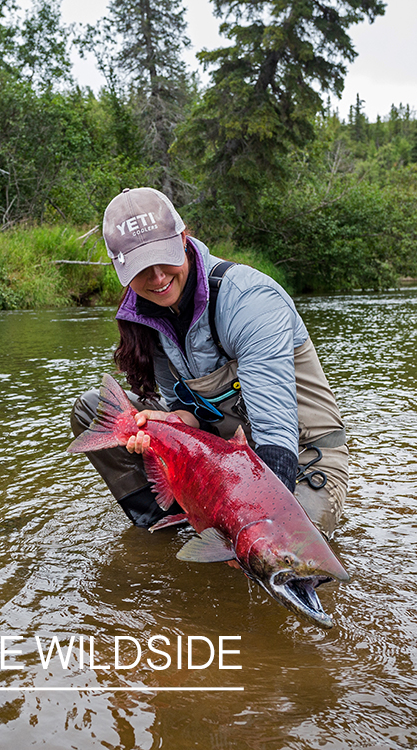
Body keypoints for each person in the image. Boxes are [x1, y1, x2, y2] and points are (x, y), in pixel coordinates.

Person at [70, 187, 349, 539]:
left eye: (164, 257)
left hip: (301, 454)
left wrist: (260, 525)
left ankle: (226, 532)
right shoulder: (147, 316)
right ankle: (167, 525)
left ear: (183, 239)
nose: (157, 277)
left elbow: (275, 433)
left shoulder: (249, 300)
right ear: (119, 269)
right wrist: (171, 423)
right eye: (141, 267)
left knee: (282, 551)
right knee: (93, 409)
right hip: (224, 453)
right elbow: (190, 413)